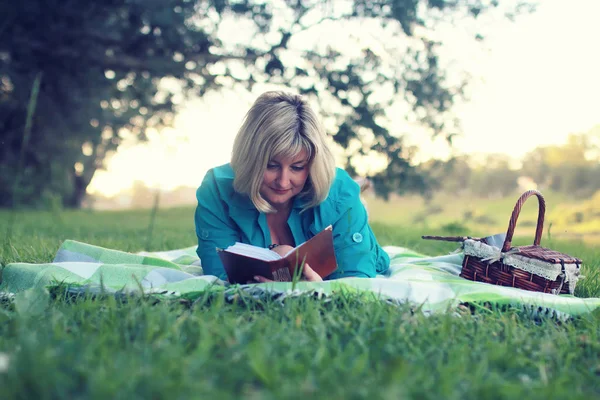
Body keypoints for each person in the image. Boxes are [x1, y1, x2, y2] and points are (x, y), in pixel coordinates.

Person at [194, 91, 390, 282]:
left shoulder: (339, 192)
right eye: (271, 165)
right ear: (250, 158)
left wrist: (314, 291)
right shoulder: (217, 189)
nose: (283, 181)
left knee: (355, 225)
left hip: (347, 225)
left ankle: (360, 208)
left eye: (297, 167)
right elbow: (218, 273)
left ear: (311, 165)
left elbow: (356, 278)